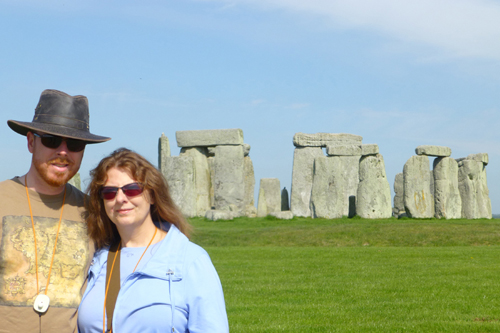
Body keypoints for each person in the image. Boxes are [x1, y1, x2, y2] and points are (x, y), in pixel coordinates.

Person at [78, 148, 229, 333]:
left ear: (151, 194)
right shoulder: (97, 259)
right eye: (109, 192)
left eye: (132, 189)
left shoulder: (190, 260)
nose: (120, 199)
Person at [0, 89, 110, 332]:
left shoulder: (95, 211)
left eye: (74, 143)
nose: (63, 151)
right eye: (51, 140)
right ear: (31, 141)